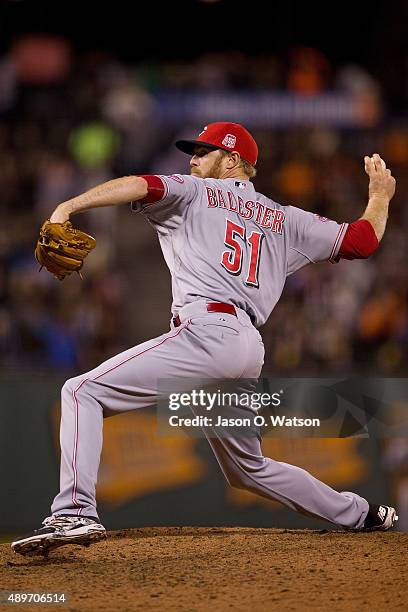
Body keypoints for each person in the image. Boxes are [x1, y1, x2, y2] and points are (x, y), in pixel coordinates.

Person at [12, 122, 397, 556]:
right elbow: (362, 242)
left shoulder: (193, 191)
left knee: (81, 391)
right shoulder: (287, 219)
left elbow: (140, 183)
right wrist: (379, 197)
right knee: (248, 470)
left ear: (233, 161)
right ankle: (362, 513)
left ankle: (75, 512)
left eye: (205, 151)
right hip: (247, 347)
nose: (193, 159)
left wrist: (68, 206)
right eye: (193, 152)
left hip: (207, 334)